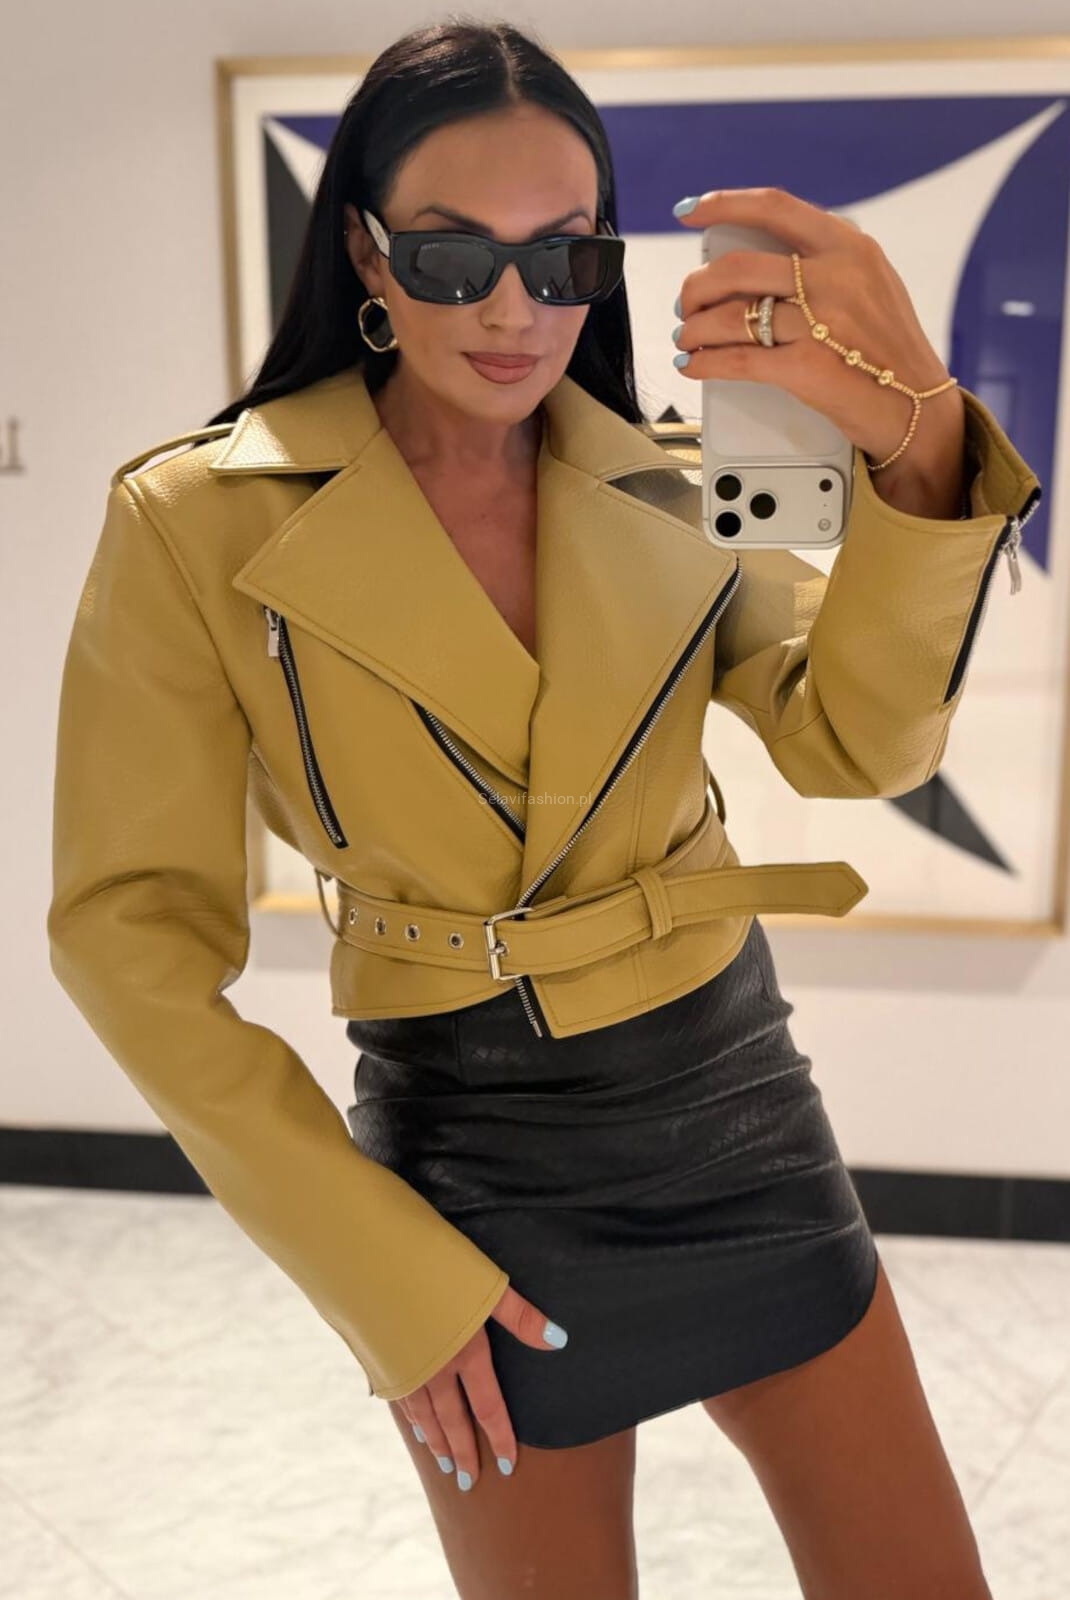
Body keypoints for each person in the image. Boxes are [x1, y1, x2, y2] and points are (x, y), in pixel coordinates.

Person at [47, 18, 1040, 1600]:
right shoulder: (193, 520)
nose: (514, 310)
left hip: (731, 1105)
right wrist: (375, 1268)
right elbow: (130, 941)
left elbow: (854, 746)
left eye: (563, 256)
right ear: (364, 252)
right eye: (454, 258)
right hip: (472, 1153)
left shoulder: (675, 474)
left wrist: (916, 449)